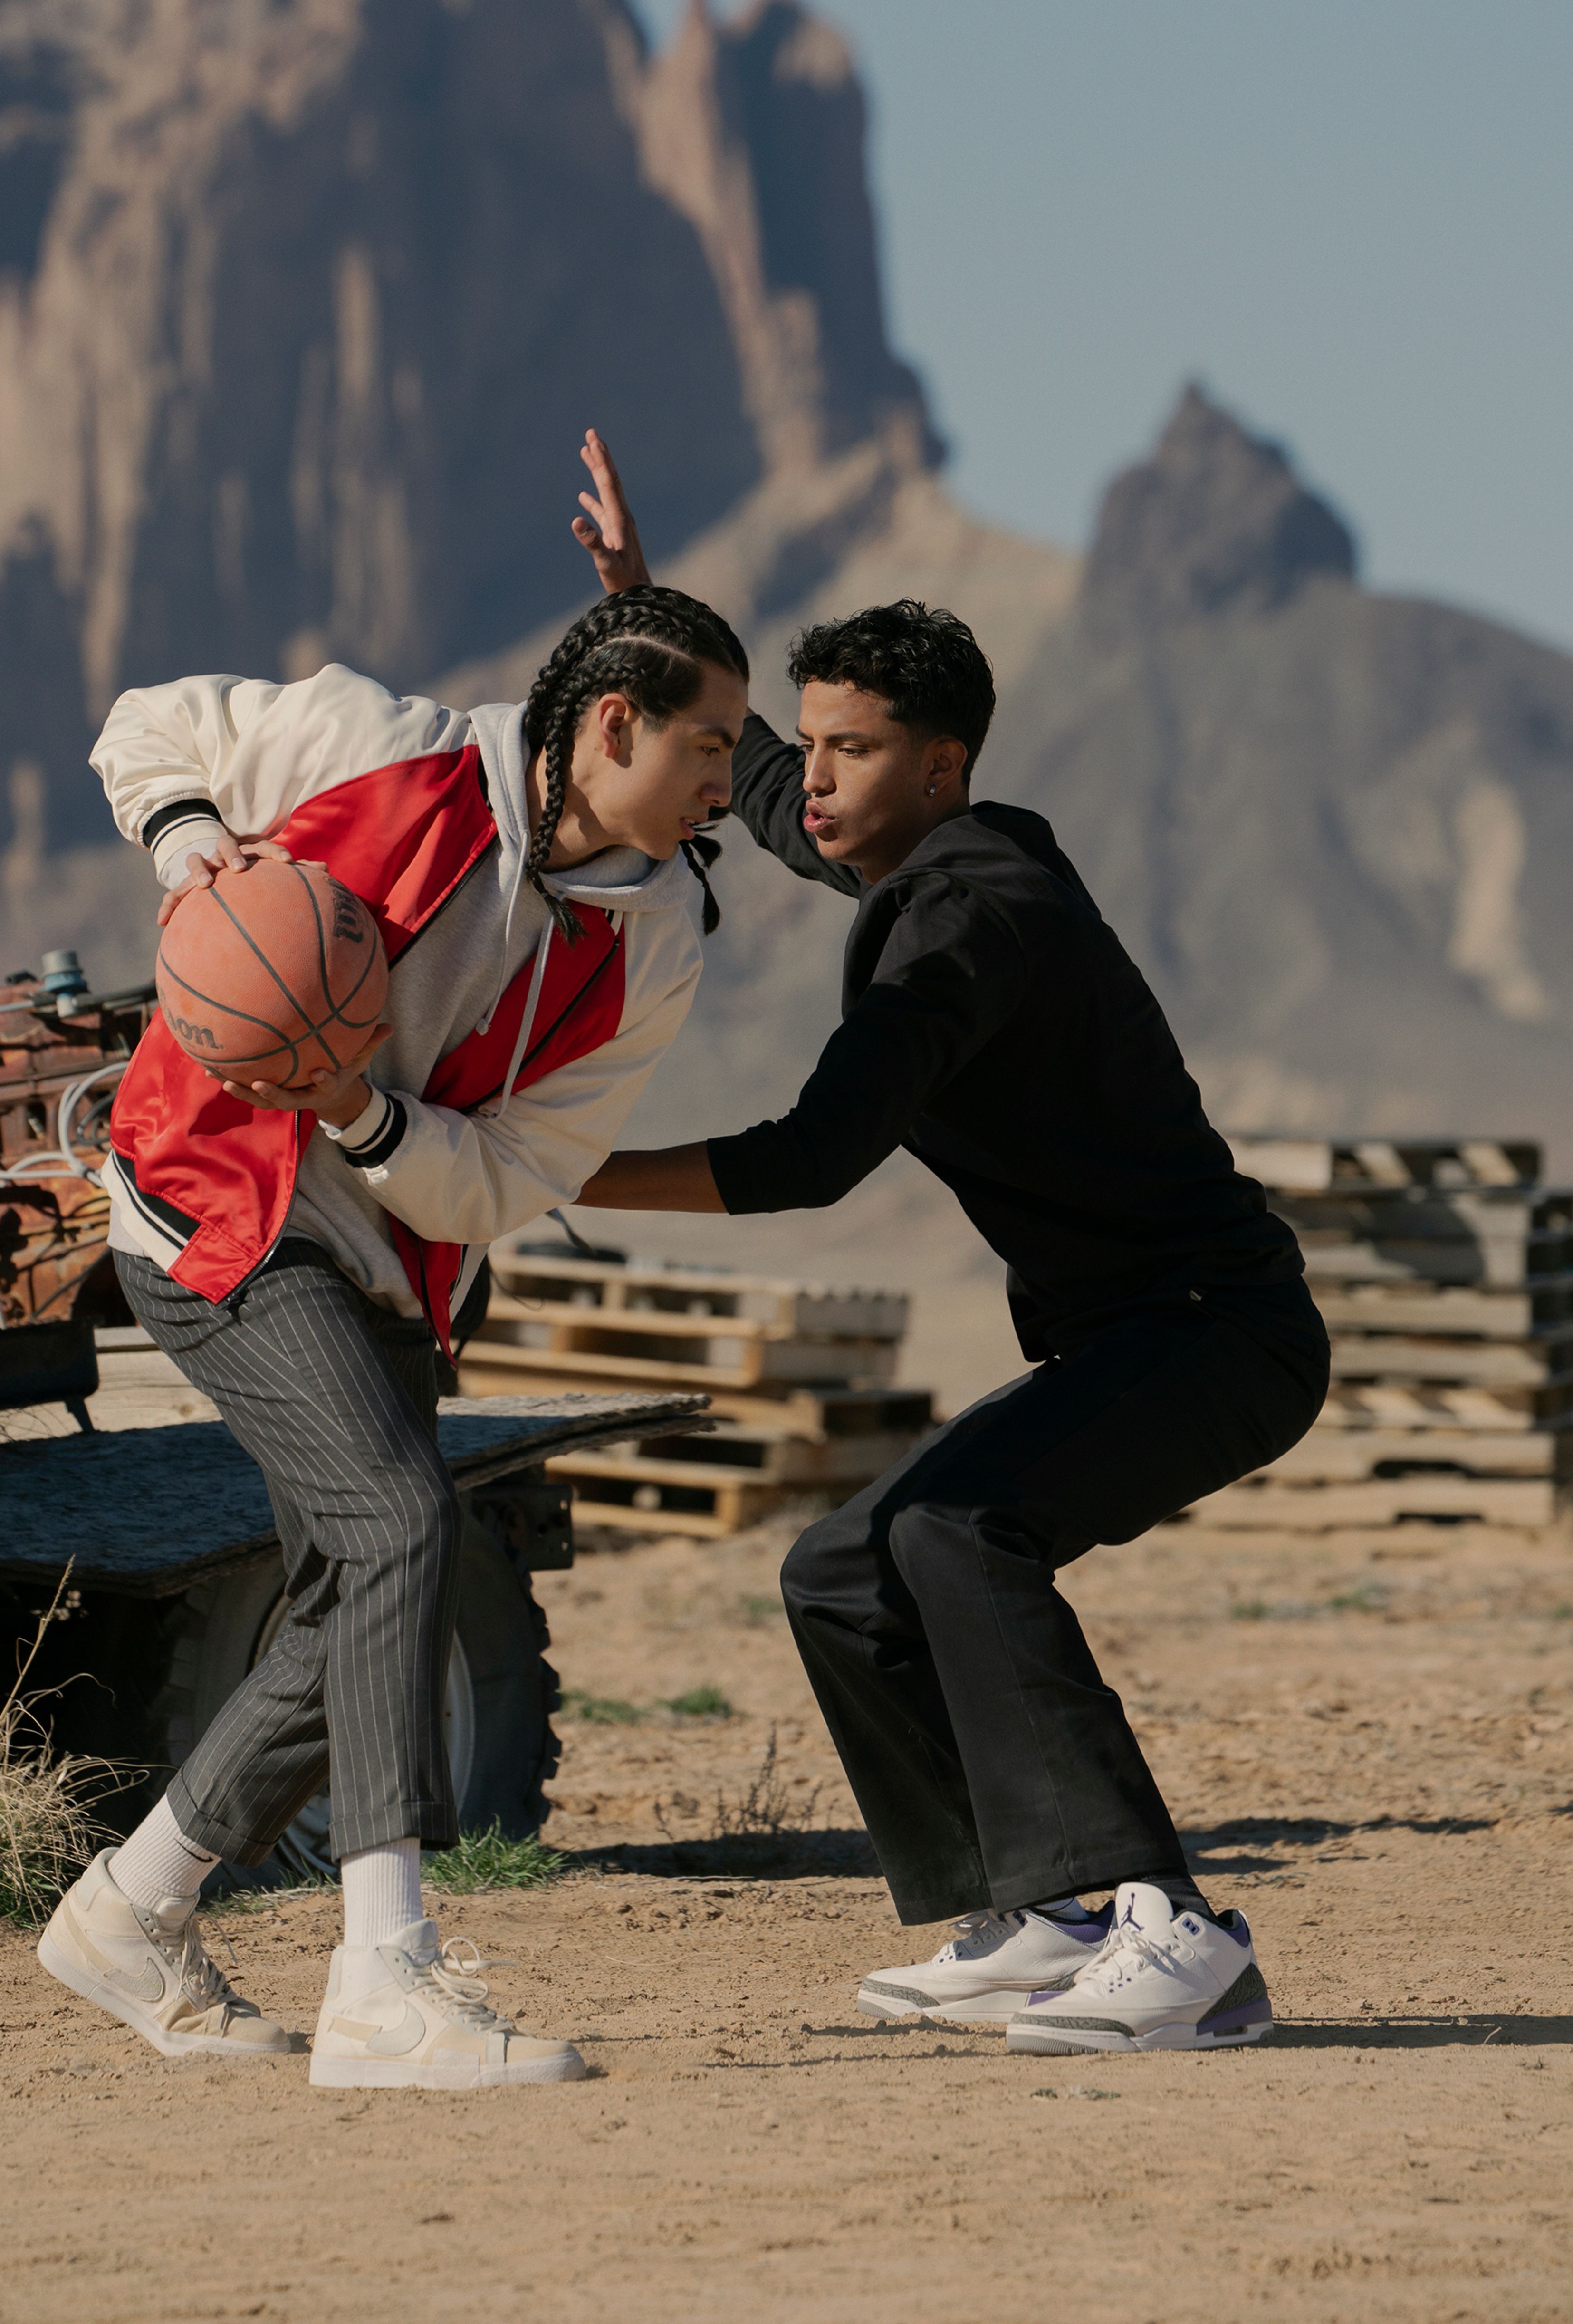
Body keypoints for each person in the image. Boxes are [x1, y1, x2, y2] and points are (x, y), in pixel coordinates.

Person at [567, 442, 1329, 2055]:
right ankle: (1036, 1916)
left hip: (1219, 1334)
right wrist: (640, 613)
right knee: (844, 1566)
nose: (814, 779)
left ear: (944, 764)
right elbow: (766, 786)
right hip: (1140, 1337)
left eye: (858, 751)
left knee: (961, 1533)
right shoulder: (908, 850)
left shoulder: (971, 919)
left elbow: (811, 1160)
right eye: (816, 742)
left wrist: (541, 1169)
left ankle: (1178, 1933)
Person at [36, 532, 749, 2088]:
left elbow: (506, 1181)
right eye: (708, 747)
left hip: (382, 1248)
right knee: (406, 1529)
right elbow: (148, 724)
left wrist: (360, 1113)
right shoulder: (382, 746)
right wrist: (192, 857)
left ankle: (129, 1909)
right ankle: (385, 1982)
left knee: (353, 1599)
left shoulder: (664, 944)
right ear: (613, 725)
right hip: (210, 1205)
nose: (724, 787)